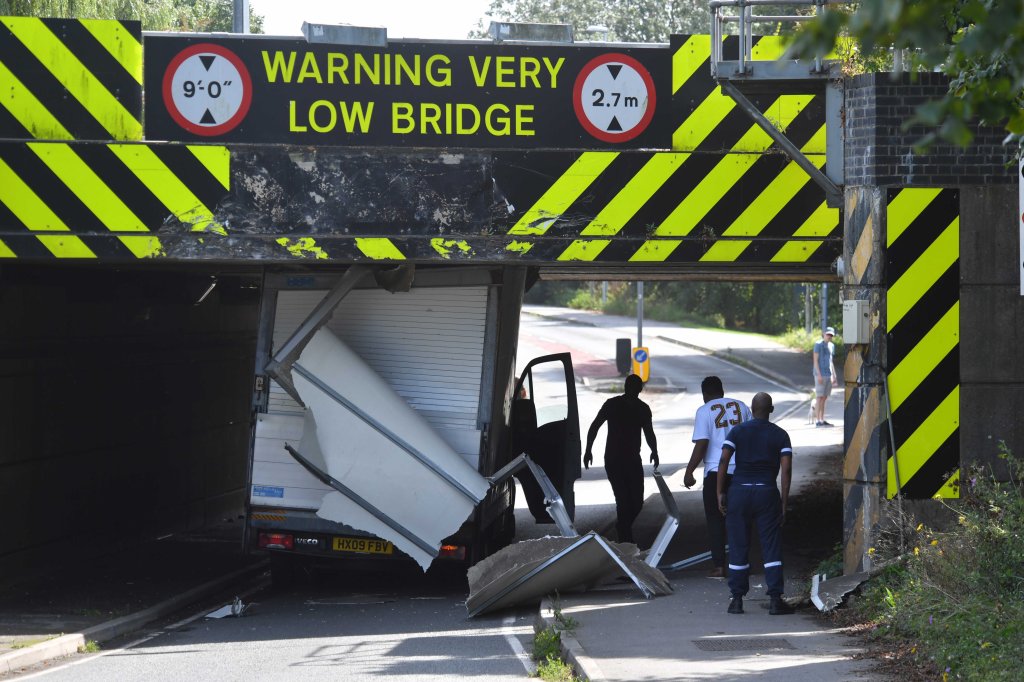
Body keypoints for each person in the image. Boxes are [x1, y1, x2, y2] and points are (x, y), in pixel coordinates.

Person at [717, 392, 795, 616]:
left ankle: (736, 600)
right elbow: (786, 470)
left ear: (751, 410)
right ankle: (775, 600)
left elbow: (723, 460)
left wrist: (719, 492)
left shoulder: (737, 431)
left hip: (739, 492)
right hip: (766, 492)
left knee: (738, 544)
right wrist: (784, 502)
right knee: (771, 546)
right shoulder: (780, 435)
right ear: (771, 410)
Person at [683, 376, 752, 578]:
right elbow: (751, 437)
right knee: (740, 518)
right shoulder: (741, 406)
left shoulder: (704, 411)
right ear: (722, 390)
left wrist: (689, 471)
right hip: (741, 472)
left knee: (715, 520)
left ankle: (720, 566)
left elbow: (702, 443)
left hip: (715, 472)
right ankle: (742, 563)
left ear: (704, 394)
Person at [584, 374, 659, 544]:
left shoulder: (643, 409)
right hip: (614, 459)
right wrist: (588, 450)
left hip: (633, 460)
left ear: (640, 389)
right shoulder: (612, 404)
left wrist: (654, 451)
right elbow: (595, 425)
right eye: (629, 386)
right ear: (625, 387)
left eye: (634, 386)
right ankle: (625, 537)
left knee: (637, 502)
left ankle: (622, 527)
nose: (631, 389)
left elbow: (649, 432)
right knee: (623, 499)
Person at [812, 326, 837, 427]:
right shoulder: (818, 345)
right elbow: (815, 361)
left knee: (825, 398)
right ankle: (818, 420)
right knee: (819, 397)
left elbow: (831, 362)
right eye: (828, 334)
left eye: (831, 335)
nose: (829, 336)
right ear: (824, 334)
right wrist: (819, 375)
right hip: (820, 374)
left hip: (828, 374)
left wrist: (834, 376)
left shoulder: (832, 346)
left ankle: (822, 419)